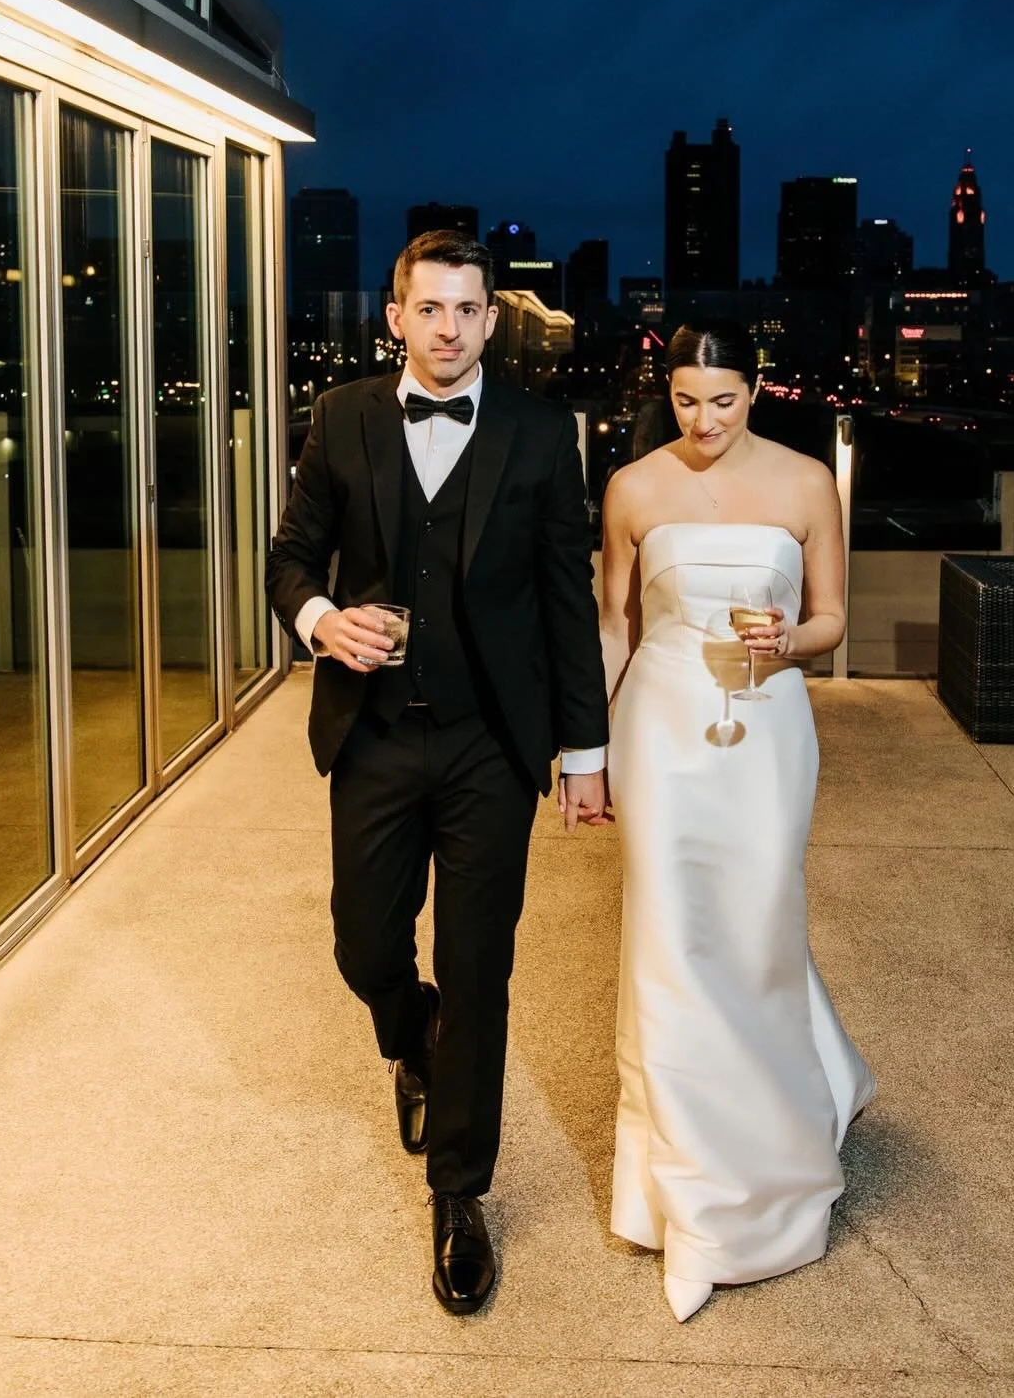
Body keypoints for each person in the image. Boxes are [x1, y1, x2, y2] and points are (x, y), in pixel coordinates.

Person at [266, 231, 609, 1315]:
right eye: (432, 308)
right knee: (363, 941)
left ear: (490, 320)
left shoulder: (542, 432)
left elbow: (566, 597)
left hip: (488, 743)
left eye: (469, 308)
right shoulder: (344, 416)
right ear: (396, 316)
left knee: (481, 968)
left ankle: (459, 1190)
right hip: (371, 729)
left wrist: (584, 751)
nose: (451, 327)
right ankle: (412, 1034)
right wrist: (321, 620)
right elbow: (290, 557)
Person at [599, 319, 875, 1322]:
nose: (703, 420)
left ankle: (787, 1115)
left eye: (722, 399)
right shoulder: (634, 486)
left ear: (755, 389)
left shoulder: (807, 482)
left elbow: (836, 617)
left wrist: (791, 636)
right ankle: (690, 1195)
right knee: (669, 942)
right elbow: (613, 622)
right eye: (684, 400)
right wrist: (586, 750)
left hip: (766, 726)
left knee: (757, 929)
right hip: (662, 727)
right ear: (665, 392)